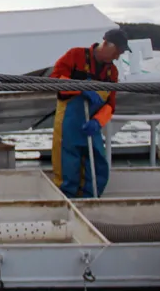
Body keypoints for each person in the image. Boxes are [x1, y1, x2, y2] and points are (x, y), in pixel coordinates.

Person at [49, 28, 131, 198]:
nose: (117, 57)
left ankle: (89, 201)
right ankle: (67, 205)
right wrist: (81, 89)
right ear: (106, 43)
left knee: (98, 167)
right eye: (117, 51)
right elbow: (54, 79)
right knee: (67, 168)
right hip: (68, 125)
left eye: (121, 53)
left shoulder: (112, 72)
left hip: (91, 127)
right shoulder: (75, 56)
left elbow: (110, 105)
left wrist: (97, 122)